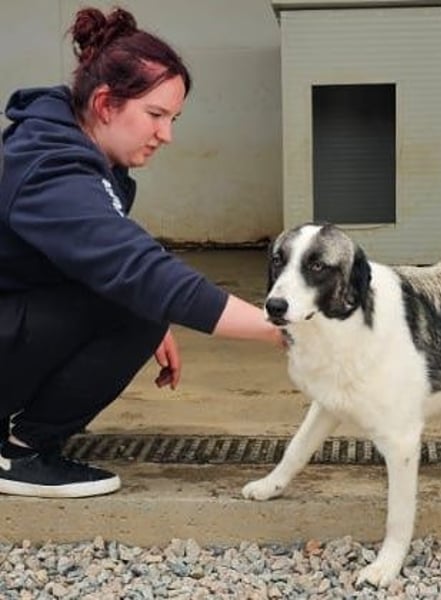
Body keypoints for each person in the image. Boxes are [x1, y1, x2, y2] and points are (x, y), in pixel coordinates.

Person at [0, 7, 283, 499]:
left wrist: (141, 312)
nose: (166, 135)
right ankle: (19, 455)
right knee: (140, 304)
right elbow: (140, 271)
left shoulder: (71, 146)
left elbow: (102, 261)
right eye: (155, 115)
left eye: (173, 119)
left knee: (138, 308)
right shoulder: (50, 168)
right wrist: (281, 329)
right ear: (105, 104)